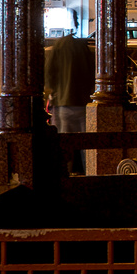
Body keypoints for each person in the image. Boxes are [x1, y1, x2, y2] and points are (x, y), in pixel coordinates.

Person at [45, 35, 94, 174]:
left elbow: (49, 75)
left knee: (65, 144)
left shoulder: (58, 49)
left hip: (63, 104)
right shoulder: (84, 51)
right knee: (86, 144)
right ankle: (89, 173)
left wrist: (54, 90)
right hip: (84, 104)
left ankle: (65, 176)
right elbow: (92, 75)